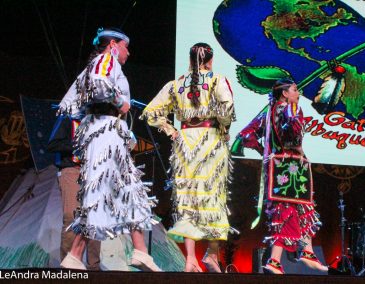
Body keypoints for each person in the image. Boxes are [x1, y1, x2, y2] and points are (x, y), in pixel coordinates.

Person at [58, 27, 160, 271]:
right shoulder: (105, 60)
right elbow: (100, 85)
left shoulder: (98, 63)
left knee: (129, 188)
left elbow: (73, 104)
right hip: (104, 133)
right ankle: (75, 255)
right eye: (125, 46)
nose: (128, 52)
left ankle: (140, 250)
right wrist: (120, 102)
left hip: (108, 131)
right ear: (114, 44)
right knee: (101, 193)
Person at [140, 43, 235, 272]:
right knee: (212, 195)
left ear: (190, 59)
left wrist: (171, 130)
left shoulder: (177, 84)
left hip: (185, 142)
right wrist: (224, 127)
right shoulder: (216, 79)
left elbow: (151, 111)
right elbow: (227, 108)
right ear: (209, 61)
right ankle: (211, 254)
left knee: (188, 197)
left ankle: (191, 258)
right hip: (210, 139)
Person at [238, 78, 327, 274]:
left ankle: (299, 254)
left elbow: (245, 135)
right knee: (296, 208)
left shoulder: (267, 112)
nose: (298, 94)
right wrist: (298, 147)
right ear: (285, 93)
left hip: (276, 165)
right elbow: (293, 133)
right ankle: (282, 258)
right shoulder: (291, 108)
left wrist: (265, 151)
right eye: (295, 90)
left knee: (288, 211)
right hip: (292, 164)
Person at [47, 114, 101, 270]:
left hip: (94, 172)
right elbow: (53, 145)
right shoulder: (68, 118)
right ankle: (69, 266)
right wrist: (79, 143)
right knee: (72, 216)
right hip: (72, 170)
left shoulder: (99, 120)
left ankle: (94, 268)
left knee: (95, 219)